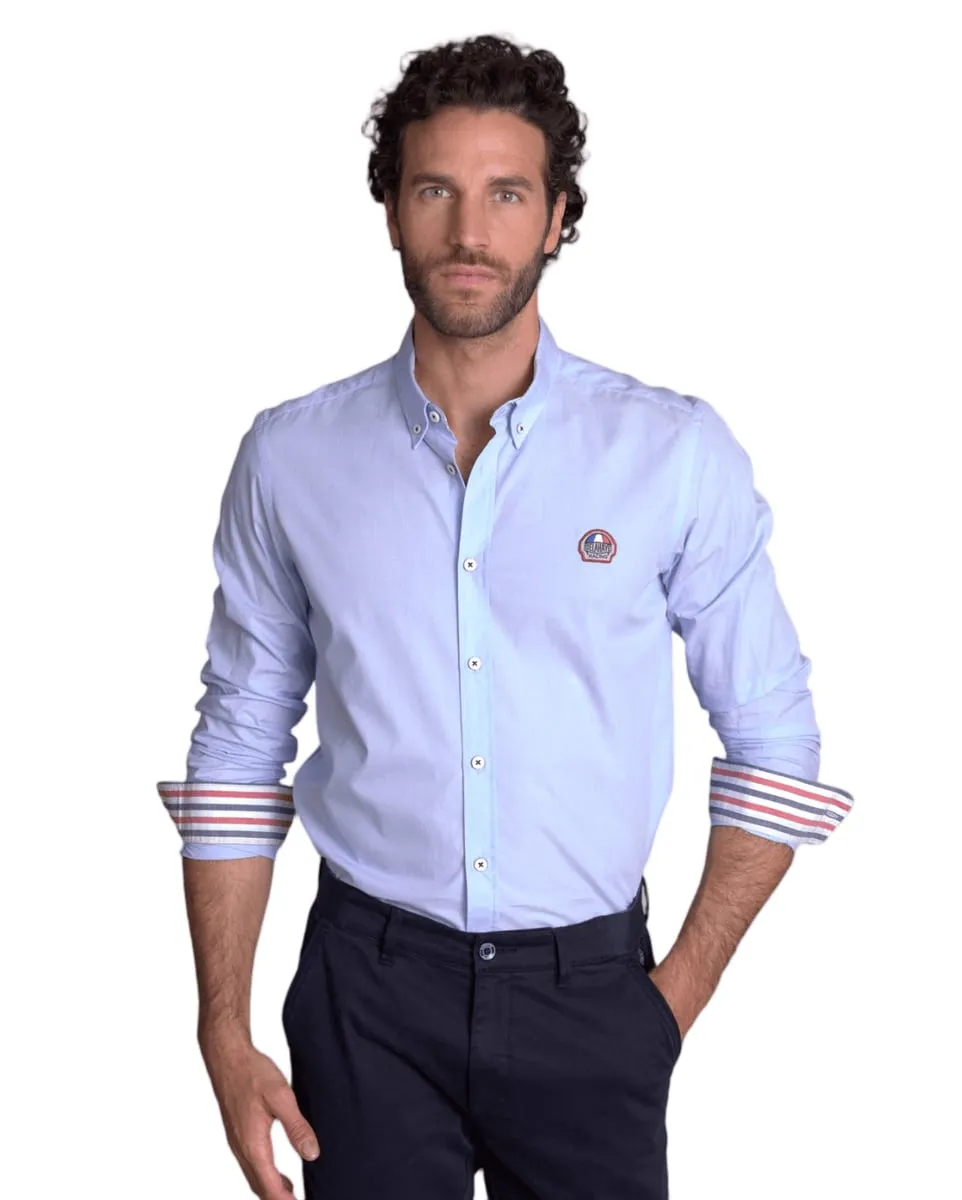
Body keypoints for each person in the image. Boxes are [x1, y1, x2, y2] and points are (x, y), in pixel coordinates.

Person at [156, 33, 854, 1200]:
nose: (468, 232)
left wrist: (667, 1004)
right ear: (391, 209)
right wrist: (221, 1028)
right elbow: (237, 738)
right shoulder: (290, 458)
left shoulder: (671, 454)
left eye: (506, 194)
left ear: (557, 217)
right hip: (364, 994)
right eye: (435, 190)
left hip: (593, 999)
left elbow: (774, 739)